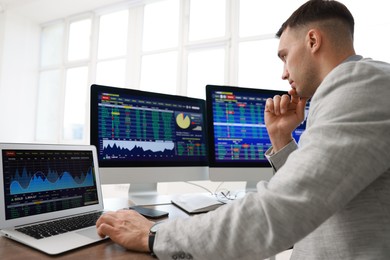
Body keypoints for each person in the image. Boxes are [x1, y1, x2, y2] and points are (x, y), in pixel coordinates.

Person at [96, 0, 390, 259]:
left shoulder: (361, 84)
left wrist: (155, 236)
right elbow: (318, 193)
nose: (284, 73)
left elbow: (280, 210)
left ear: (313, 40)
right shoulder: (361, 87)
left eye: (284, 55)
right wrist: (282, 139)